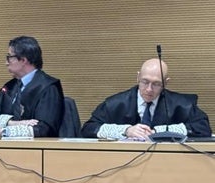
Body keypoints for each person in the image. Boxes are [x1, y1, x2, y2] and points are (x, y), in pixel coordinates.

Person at [81, 58, 211, 139]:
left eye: (156, 84)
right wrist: (125, 130)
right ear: (138, 77)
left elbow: (202, 127)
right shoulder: (114, 104)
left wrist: (159, 132)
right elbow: (89, 129)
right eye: (144, 82)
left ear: (166, 82)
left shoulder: (183, 105)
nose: (149, 89)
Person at [0, 36, 64, 138]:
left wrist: (3, 131)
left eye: (9, 57)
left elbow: (44, 129)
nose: (6, 63)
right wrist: (12, 123)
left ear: (23, 60)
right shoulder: (9, 87)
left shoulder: (48, 87)